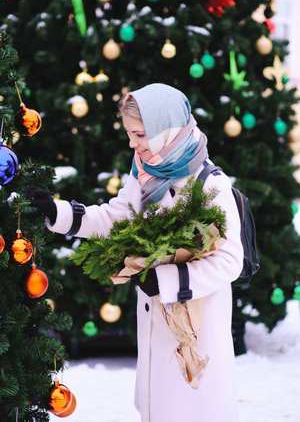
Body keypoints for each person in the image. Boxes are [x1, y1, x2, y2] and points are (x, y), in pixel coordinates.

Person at [25, 83, 243, 422]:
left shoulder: (210, 183)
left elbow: (230, 261)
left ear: (165, 130)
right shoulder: (145, 170)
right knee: (158, 407)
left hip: (197, 331)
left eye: (139, 134)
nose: (132, 143)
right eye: (129, 134)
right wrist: (60, 213)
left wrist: (170, 279)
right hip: (156, 325)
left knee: (194, 410)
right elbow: (117, 218)